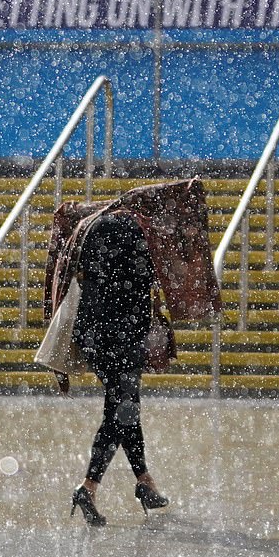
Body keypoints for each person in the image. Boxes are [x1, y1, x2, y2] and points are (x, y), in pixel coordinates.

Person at [69, 211, 169, 526]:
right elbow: (148, 283)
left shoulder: (94, 229)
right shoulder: (139, 235)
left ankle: (144, 481)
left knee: (124, 408)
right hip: (123, 338)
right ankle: (89, 487)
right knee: (121, 412)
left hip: (94, 335)